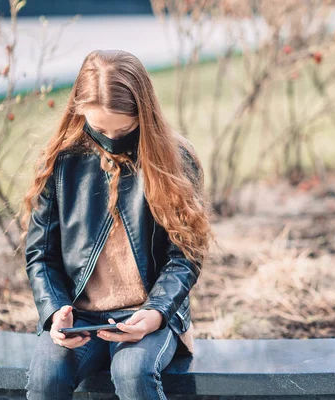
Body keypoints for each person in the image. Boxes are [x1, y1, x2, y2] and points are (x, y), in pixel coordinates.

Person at [22, 49, 211, 400]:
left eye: (124, 129)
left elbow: (185, 256)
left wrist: (157, 312)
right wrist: (54, 313)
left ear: (145, 114)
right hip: (81, 315)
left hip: (150, 312)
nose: (111, 138)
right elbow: (40, 255)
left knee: (133, 371)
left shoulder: (176, 159)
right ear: (80, 113)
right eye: (98, 128)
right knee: (47, 377)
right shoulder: (61, 161)